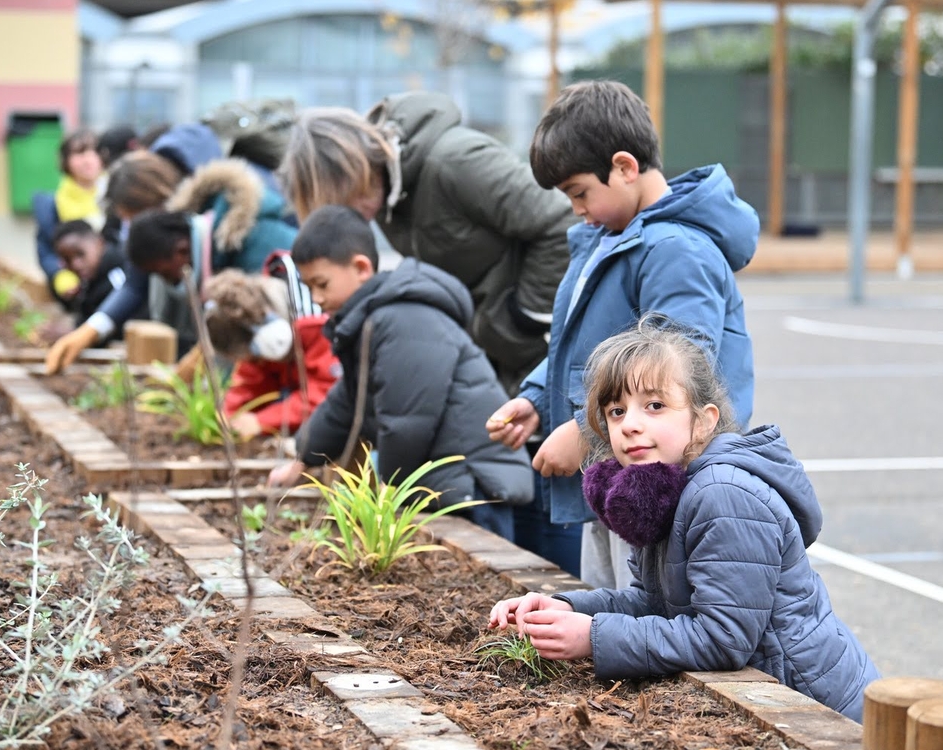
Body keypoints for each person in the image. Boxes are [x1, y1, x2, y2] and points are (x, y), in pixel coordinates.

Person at [488, 318, 879, 722]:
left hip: (819, 710)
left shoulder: (723, 495)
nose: (631, 424)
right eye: (616, 411)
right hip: (769, 699)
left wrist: (593, 637)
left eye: (655, 405)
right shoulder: (662, 489)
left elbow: (724, 639)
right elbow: (651, 602)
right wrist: (565, 607)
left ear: (704, 420)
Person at [487, 80, 759, 588]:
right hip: (618, 470)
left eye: (579, 192)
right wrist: (535, 399)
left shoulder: (676, 250)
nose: (576, 209)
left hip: (664, 483)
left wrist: (585, 430)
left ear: (625, 168)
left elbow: (682, 366)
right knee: (611, 610)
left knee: (652, 616)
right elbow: (587, 345)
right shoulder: (610, 239)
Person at [265, 205, 532, 540]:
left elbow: (407, 423)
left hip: (474, 486)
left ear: (361, 267)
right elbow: (346, 402)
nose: (317, 299)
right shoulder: (366, 322)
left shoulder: (403, 320)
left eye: (322, 284)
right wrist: (303, 457)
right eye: (309, 288)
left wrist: (385, 496)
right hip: (449, 482)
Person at [279, 95, 576, 395]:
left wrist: (524, 316)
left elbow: (562, 222)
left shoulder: (456, 161)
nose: (352, 215)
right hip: (493, 355)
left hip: (544, 346)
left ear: (353, 169)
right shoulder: (383, 200)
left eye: (344, 198)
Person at [44, 157, 297, 373]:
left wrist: (201, 359)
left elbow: (253, 315)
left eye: (136, 218)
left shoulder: (238, 230)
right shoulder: (179, 239)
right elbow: (135, 283)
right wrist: (89, 331)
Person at [202, 268, 338, 441]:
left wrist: (262, 421)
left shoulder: (321, 327)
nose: (258, 362)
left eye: (256, 358)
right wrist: (229, 416)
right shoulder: (262, 342)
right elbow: (251, 382)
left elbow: (326, 395)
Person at [33, 129, 110, 307]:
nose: (87, 159)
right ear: (65, 161)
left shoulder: (116, 192)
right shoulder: (53, 204)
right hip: (76, 286)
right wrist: (61, 277)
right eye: (79, 153)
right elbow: (46, 251)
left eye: (93, 152)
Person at [50, 219, 139, 340]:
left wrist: (76, 333)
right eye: (67, 260)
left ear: (99, 244)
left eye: (80, 254)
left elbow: (125, 321)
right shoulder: (91, 278)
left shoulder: (120, 275)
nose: (76, 264)